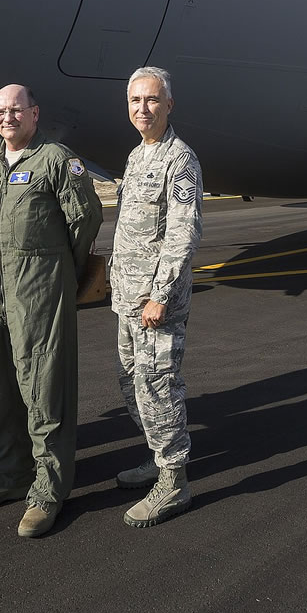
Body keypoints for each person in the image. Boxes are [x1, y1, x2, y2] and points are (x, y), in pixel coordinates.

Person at [0, 84, 102, 538]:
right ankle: (9, 475)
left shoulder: (57, 159)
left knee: (44, 386)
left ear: (34, 114)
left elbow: (85, 220)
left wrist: (60, 272)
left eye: (15, 110)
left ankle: (48, 490)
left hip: (40, 289)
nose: (6, 118)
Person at [109, 67, 202, 528]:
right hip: (126, 298)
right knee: (131, 382)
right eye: (134, 101)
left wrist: (160, 294)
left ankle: (174, 481)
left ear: (169, 105)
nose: (141, 109)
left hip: (154, 303)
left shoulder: (178, 159)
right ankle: (157, 456)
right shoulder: (136, 155)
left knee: (158, 384)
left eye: (150, 100)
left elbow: (182, 234)